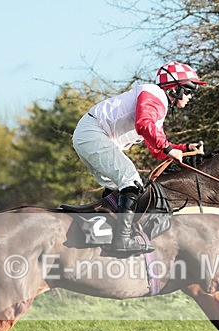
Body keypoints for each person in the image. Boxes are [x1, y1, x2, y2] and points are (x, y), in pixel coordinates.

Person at [72, 61, 206, 254]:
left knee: (120, 186)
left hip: (91, 134)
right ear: (174, 88)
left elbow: (157, 149)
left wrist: (184, 149)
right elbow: (144, 125)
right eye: (189, 90)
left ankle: (107, 235)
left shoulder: (157, 106)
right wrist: (170, 149)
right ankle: (122, 240)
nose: (190, 97)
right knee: (131, 181)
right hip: (93, 133)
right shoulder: (155, 94)